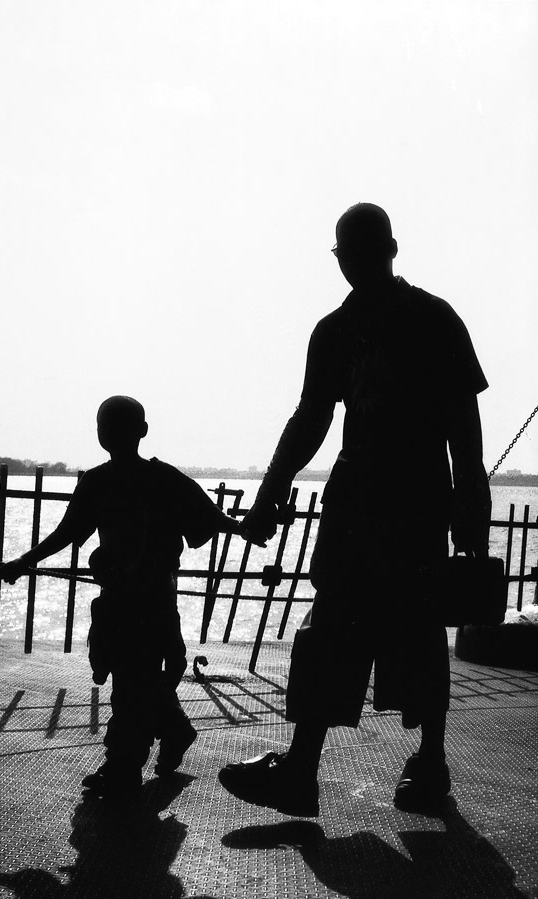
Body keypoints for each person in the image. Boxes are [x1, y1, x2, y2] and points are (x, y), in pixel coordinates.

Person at [219, 203, 491, 816]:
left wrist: (470, 496)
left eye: (363, 254)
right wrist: (271, 488)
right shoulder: (340, 329)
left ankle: (420, 761)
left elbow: (460, 420)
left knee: (409, 631)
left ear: (390, 251)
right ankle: (312, 769)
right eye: (351, 257)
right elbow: (313, 417)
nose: (357, 266)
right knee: (342, 630)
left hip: (410, 506)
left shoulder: (432, 318)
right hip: (363, 509)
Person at [2, 395, 240, 799]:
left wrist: (243, 528)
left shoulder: (162, 479)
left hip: (153, 600)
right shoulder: (97, 483)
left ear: (141, 432)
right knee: (134, 678)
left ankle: (124, 766)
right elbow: (67, 532)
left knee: (132, 684)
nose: (109, 433)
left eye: (116, 425)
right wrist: (27, 559)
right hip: (117, 600)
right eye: (105, 426)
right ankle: (174, 730)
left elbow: (211, 517)